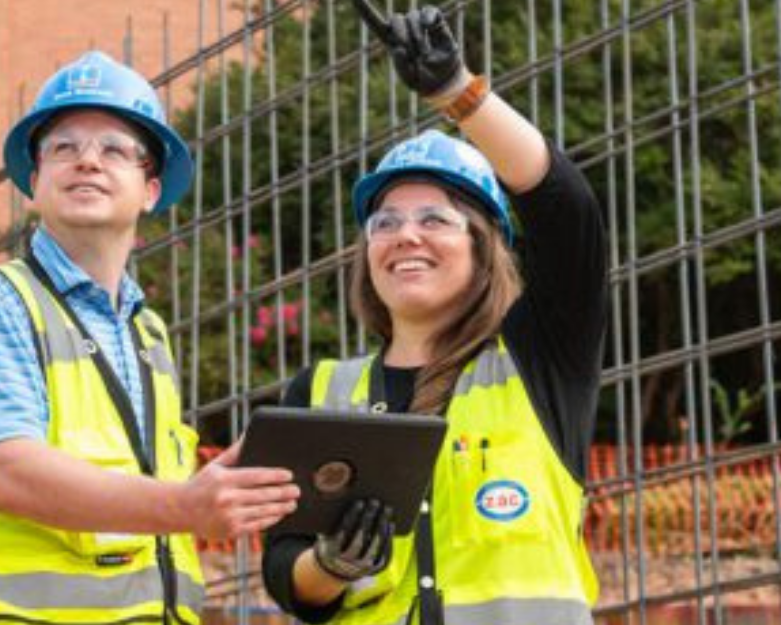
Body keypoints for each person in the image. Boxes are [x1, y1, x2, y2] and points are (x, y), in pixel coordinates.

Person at [0, 51, 303, 625]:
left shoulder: (146, 331)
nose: (87, 162)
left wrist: (215, 488)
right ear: (34, 182)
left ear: (150, 189)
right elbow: (7, 473)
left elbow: (146, 492)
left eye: (113, 149)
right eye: (64, 148)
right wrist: (185, 505)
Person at [259, 4, 609, 624]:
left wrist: (458, 92)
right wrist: (331, 566)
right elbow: (286, 573)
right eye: (385, 222)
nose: (405, 236)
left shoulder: (540, 359)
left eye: (435, 219)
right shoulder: (321, 391)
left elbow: (567, 209)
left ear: (485, 246)